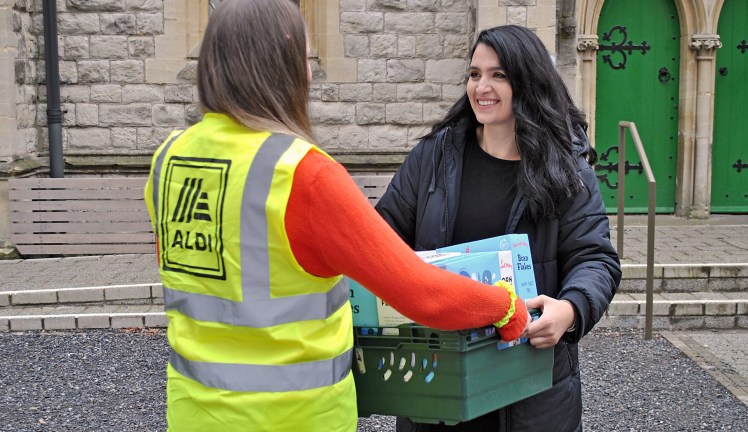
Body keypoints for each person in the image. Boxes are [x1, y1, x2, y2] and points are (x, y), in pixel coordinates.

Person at [143, 2, 529, 431]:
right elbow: (419, 292)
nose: (308, 73)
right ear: (283, 63)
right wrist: (505, 305)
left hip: (193, 413)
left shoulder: (169, 159)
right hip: (291, 417)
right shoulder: (303, 175)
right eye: (305, 58)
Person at [375, 25, 622, 432]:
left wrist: (571, 309)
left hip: (531, 390)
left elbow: (594, 257)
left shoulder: (566, 167)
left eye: (498, 74)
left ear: (527, 80)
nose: (481, 86)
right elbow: (384, 234)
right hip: (441, 376)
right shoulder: (434, 156)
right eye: (475, 74)